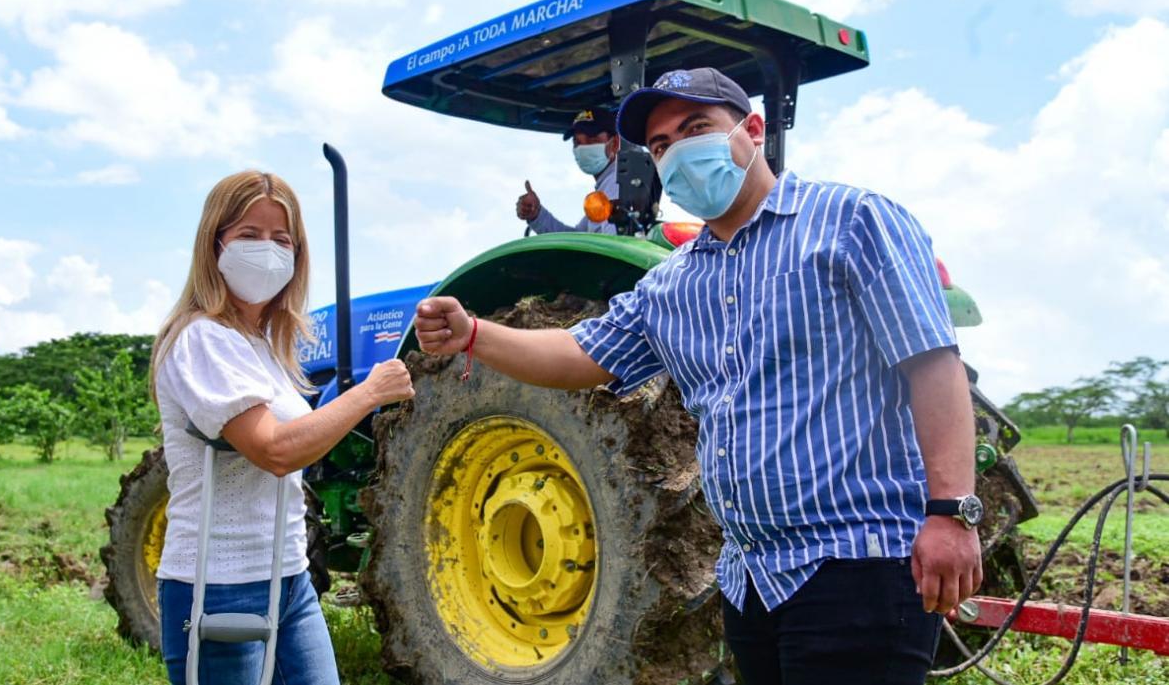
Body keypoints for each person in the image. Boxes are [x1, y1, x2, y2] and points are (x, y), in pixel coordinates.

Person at [415, 67, 983, 685]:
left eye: (696, 129)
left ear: (753, 130)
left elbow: (932, 363)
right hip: (751, 581)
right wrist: (474, 333)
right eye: (660, 147)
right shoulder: (672, 282)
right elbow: (581, 353)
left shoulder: (851, 223)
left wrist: (952, 512)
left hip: (855, 568)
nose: (678, 153)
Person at [149, 170, 414, 685]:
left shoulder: (264, 346)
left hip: (289, 577)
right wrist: (371, 392)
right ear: (214, 243)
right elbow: (273, 450)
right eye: (249, 235)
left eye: (281, 239)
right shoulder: (202, 339)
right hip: (219, 584)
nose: (267, 251)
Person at [516, 108, 620, 234]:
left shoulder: (617, 182)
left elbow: (612, 246)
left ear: (615, 143)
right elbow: (577, 240)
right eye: (577, 142)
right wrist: (537, 215)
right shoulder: (605, 188)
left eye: (592, 139)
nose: (583, 148)